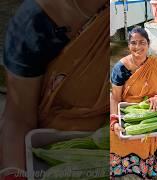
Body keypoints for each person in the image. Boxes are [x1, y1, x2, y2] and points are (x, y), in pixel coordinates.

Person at [0, 0, 107, 178]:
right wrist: (14, 175)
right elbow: (18, 119)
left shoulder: (128, 21)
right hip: (51, 158)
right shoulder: (35, 22)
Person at [110, 27, 157, 179]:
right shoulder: (120, 68)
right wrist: (114, 121)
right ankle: (127, 170)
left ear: (148, 44)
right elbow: (115, 98)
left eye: (142, 42)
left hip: (152, 109)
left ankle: (150, 170)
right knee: (115, 135)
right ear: (128, 45)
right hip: (128, 113)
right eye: (133, 43)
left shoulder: (156, 64)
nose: (138, 47)